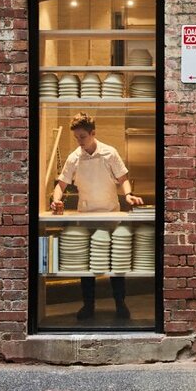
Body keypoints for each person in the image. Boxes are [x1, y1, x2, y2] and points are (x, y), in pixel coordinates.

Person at [51, 112, 144, 320]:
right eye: (76, 137)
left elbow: (123, 178)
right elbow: (61, 185)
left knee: (114, 264)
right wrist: (56, 200)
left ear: (93, 133)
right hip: (85, 218)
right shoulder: (74, 157)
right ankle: (88, 306)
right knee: (88, 266)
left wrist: (128, 195)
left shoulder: (110, 153)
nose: (79, 141)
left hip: (110, 216)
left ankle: (121, 305)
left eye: (82, 137)